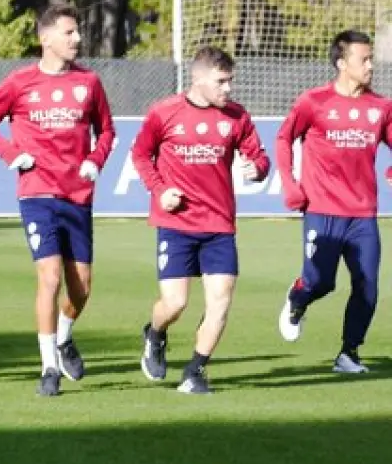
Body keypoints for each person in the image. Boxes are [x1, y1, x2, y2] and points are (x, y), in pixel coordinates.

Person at [0, 4, 116, 397]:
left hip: (78, 195)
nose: (77, 39)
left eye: (77, 31)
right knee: (49, 277)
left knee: (81, 288)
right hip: (37, 193)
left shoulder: (89, 82)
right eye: (69, 32)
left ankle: (64, 335)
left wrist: (95, 160)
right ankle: (48, 367)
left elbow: (107, 131)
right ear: (45, 38)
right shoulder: (19, 82)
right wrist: (11, 153)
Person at [130, 46, 269, 394]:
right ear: (198, 78)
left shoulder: (237, 116)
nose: (228, 88)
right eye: (221, 81)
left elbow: (259, 157)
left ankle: (195, 371)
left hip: (219, 226)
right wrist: (160, 190)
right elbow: (140, 154)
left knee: (220, 301)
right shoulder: (164, 112)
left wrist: (257, 169)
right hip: (177, 225)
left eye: (230, 81)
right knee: (175, 304)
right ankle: (155, 333)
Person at [276, 30, 392, 374]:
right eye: (364, 59)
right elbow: (283, 139)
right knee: (320, 282)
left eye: (371, 59)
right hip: (322, 210)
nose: (371, 65)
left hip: (363, 214)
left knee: (367, 286)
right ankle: (297, 298)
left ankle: (348, 354)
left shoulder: (381, 107)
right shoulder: (313, 102)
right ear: (342, 63)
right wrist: (290, 185)